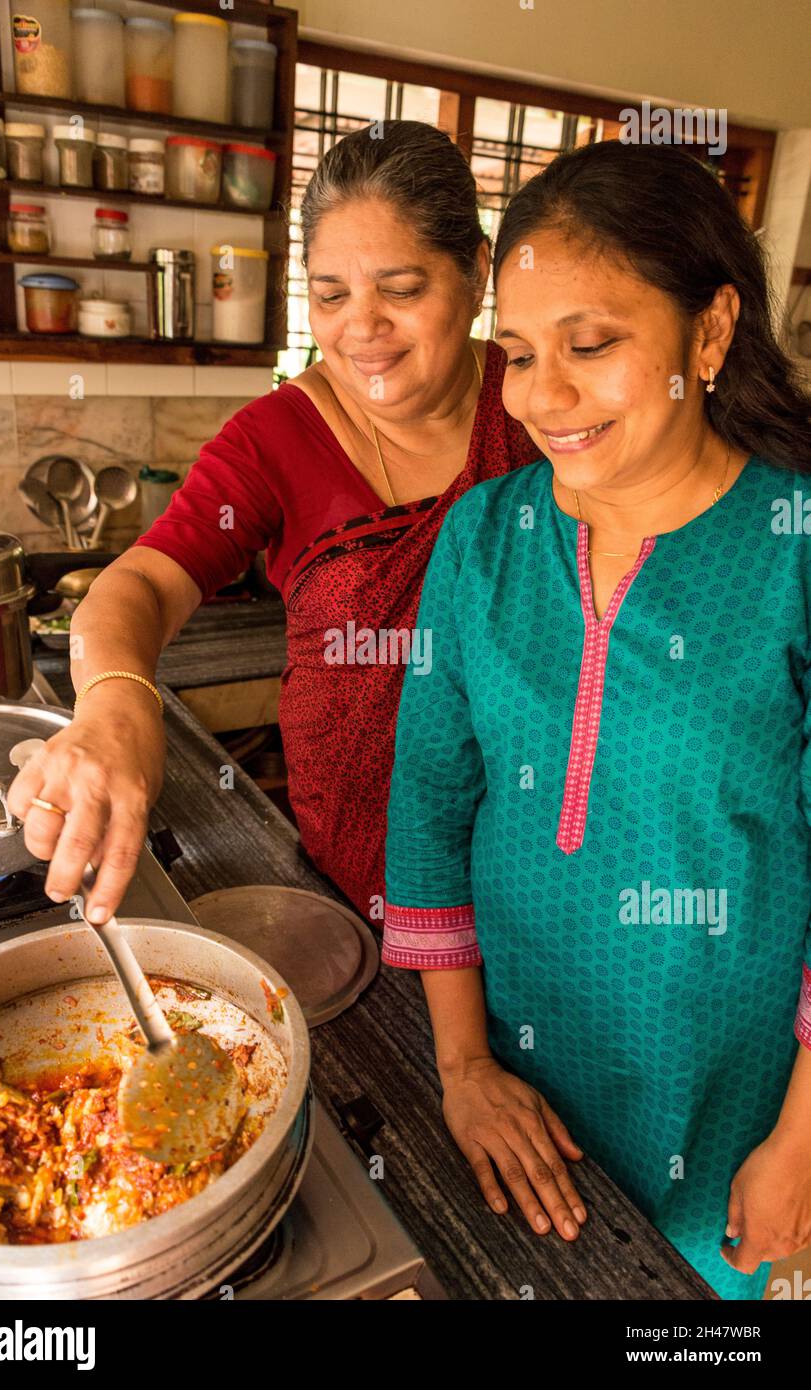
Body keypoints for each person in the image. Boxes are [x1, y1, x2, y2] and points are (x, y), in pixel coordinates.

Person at [381, 139, 811, 1299]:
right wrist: (463, 1064)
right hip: (515, 1086)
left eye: (592, 344)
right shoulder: (482, 540)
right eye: (517, 354)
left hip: (729, 1106)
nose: (540, 397)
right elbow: (427, 804)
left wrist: (802, 1146)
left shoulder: (795, 552)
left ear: (710, 337)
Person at [7, 120, 539, 928]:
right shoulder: (274, 439)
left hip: (542, 834)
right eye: (329, 295)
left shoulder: (541, 402)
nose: (360, 328)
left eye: (400, 290)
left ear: (474, 273)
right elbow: (145, 579)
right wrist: (115, 707)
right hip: (362, 858)